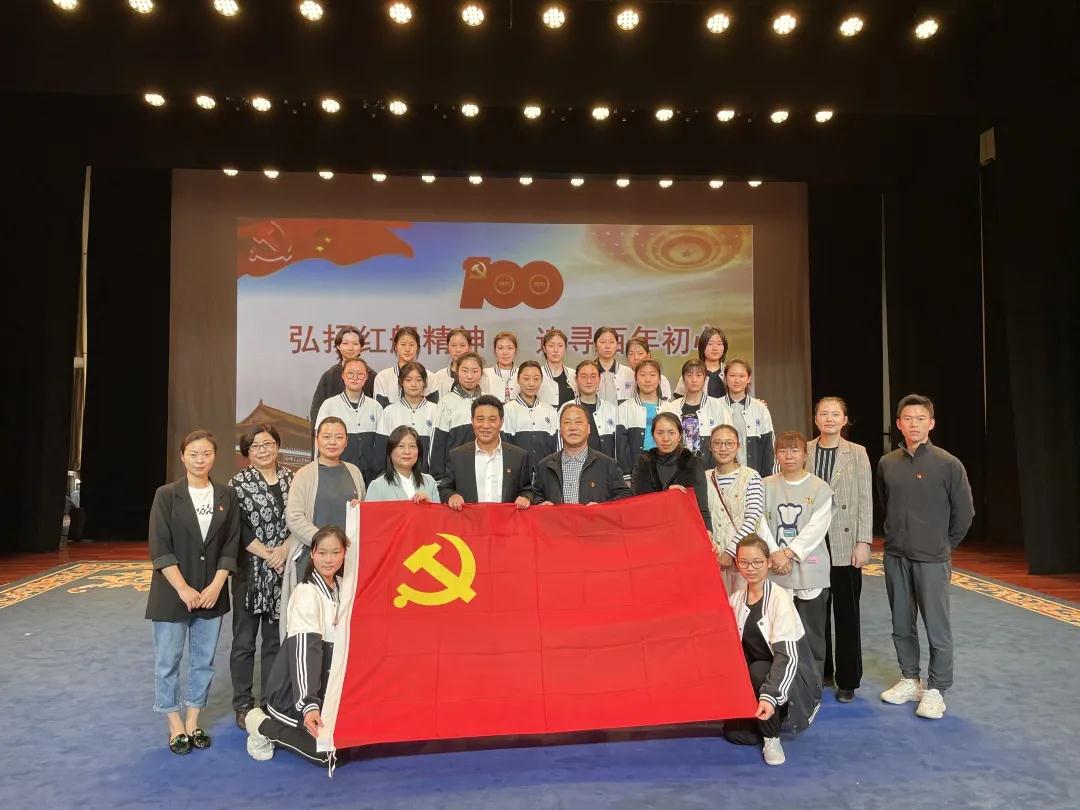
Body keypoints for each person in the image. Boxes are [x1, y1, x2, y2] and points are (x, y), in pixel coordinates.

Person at [876, 393, 973, 720]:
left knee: (936, 626)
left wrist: (943, 545)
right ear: (899, 424)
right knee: (901, 621)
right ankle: (910, 679)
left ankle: (936, 689)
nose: (914, 424)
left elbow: (964, 513)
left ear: (931, 423)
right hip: (896, 555)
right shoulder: (888, 463)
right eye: (908, 419)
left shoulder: (948, 464)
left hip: (932, 558)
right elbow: (885, 503)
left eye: (920, 419)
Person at [146, 430, 240, 755]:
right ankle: (174, 724)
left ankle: (193, 721)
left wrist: (216, 585)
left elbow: (231, 544)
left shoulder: (227, 495)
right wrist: (183, 588)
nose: (200, 460)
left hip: (212, 594)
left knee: (203, 662)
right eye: (193, 454)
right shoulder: (166, 495)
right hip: (172, 593)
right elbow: (160, 546)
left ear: (215, 457)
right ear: (182, 457)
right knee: (168, 661)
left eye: (206, 454)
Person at [244, 525, 348, 765]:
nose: (329, 559)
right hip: (293, 694)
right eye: (322, 553)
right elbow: (304, 654)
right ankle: (262, 725)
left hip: (330, 690)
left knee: (353, 740)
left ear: (345, 553)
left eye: (335, 552)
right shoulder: (306, 594)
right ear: (312, 554)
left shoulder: (345, 587)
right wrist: (308, 705)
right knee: (328, 755)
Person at [725, 535, 821, 766]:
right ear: (737, 564)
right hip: (756, 676)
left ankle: (771, 737)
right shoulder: (735, 599)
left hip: (787, 678)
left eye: (757, 562)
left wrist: (770, 696)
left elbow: (788, 657)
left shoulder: (780, 599)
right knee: (734, 733)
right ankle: (763, 719)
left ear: (768, 562)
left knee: (759, 670)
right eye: (744, 562)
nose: (751, 568)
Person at [806, 396, 874, 703]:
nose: (829, 418)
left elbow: (865, 499)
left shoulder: (857, 453)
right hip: (812, 543)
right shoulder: (805, 450)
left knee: (847, 613)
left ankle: (848, 679)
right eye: (824, 413)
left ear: (845, 420)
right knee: (815, 613)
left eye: (835, 414)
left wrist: (864, 541)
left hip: (846, 543)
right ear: (816, 419)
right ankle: (822, 671)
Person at [227, 424, 293, 730]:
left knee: (274, 640)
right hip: (250, 572)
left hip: (285, 569)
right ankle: (243, 704)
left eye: (268, 444)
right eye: (255, 446)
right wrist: (269, 554)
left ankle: (270, 701)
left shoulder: (293, 478)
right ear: (247, 453)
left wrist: (284, 550)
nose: (263, 450)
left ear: (277, 446)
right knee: (244, 641)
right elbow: (237, 528)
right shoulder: (237, 484)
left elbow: (300, 518)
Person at [759, 431, 834, 688]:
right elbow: (759, 522)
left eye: (795, 450)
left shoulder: (820, 488)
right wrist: (775, 552)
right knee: (777, 630)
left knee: (812, 633)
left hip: (810, 568)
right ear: (776, 455)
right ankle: (780, 685)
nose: (789, 456)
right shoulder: (765, 485)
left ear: (805, 454)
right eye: (783, 450)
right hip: (775, 567)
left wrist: (789, 553)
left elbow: (817, 528)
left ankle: (810, 687)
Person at [283, 416, 365, 639]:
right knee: (312, 625)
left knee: (343, 623)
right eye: (327, 436)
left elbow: (362, 512)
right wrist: (325, 544)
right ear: (317, 439)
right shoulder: (305, 474)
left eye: (339, 437)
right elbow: (294, 517)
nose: (332, 442)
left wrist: (360, 508)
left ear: (346, 441)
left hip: (346, 559)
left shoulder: (354, 472)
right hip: (314, 558)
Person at [437, 395, 535, 509]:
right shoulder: (457, 456)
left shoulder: (518, 456)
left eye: (492, 420)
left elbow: (528, 490)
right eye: (480, 419)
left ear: (501, 422)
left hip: (506, 520)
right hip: (469, 519)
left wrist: (526, 497)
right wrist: (451, 495)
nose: (486, 426)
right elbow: (444, 488)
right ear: (472, 421)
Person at [705, 424, 766, 596]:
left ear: (738, 446)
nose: (723, 448)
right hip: (712, 559)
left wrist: (731, 552)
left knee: (744, 604)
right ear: (710, 446)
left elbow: (753, 518)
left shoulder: (751, 476)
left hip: (744, 561)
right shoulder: (704, 477)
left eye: (729, 443)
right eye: (717, 443)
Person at [534, 403, 632, 504]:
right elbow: (535, 496)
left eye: (578, 422)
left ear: (588, 428)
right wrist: (540, 504)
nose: (573, 427)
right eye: (567, 422)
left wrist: (602, 507)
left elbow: (624, 496)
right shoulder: (544, 466)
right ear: (560, 430)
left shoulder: (608, 465)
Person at [630, 412, 711, 529]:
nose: (665, 439)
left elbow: (701, 507)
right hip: (650, 528)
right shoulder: (642, 463)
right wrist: (667, 495)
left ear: (680, 435)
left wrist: (708, 530)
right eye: (660, 433)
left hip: (683, 528)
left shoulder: (693, 463)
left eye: (671, 433)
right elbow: (637, 503)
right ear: (652, 435)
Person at [313, 357, 383, 484]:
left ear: (366, 377)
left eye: (360, 374)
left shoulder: (375, 407)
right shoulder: (329, 405)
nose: (355, 378)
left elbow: (380, 446)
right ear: (343, 376)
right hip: (338, 474)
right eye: (350, 373)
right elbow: (318, 442)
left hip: (370, 476)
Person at [374, 360, 439, 472]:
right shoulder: (389, 412)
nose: (414, 384)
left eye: (418, 380)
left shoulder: (436, 410)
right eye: (408, 380)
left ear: (424, 383)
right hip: (396, 477)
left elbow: (440, 449)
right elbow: (381, 451)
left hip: (428, 477)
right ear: (401, 383)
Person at [429, 351, 485, 480]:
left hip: (486, 471)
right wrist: (438, 479)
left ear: (481, 373)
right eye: (464, 371)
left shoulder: (489, 400)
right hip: (455, 474)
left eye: (475, 371)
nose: (469, 376)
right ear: (457, 372)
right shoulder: (446, 402)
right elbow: (438, 444)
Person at [661, 359, 733, 456]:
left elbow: (728, 437)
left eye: (698, 375)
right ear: (683, 378)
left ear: (705, 378)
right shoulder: (671, 407)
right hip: (678, 462)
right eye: (689, 375)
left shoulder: (718, 406)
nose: (694, 380)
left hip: (709, 462)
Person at [500, 360, 559, 480]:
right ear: (518, 380)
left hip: (545, 476)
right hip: (517, 476)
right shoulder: (507, 410)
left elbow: (556, 448)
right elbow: (505, 447)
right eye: (526, 379)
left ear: (541, 381)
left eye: (536, 379)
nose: (531, 384)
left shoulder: (550, 410)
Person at [308, 325, 371, 432]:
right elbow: (316, 411)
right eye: (345, 343)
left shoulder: (371, 376)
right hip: (334, 436)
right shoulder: (329, 376)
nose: (350, 348)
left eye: (355, 344)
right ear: (338, 346)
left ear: (361, 346)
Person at [615, 359, 669, 476]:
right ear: (636, 378)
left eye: (652, 375)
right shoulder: (625, 408)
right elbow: (621, 445)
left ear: (659, 379)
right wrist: (627, 475)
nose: (647, 380)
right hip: (637, 471)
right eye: (642, 374)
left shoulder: (670, 408)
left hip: (666, 468)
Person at [722, 359, 774, 478]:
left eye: (742, 376)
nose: (737, 380)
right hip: (722, 476)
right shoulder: (715, 406)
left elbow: (768, 448)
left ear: (749, 378)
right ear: (725, 378)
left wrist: (766, 479)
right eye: (732, 375)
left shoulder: (760, 408)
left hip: (752, 476)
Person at [558, 359, 618, 459]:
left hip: (605, 467)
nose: (589, 381)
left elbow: (617, 447)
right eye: (584, 376)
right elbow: (559, 443)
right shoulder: (566, 408)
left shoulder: (611, 409)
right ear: (576, 380)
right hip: (573, 465)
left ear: (600, 379)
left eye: (593, 376)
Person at [366, 425, 441, 502]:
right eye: (401, 446)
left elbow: (439, 510)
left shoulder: (429, 482)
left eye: (412, 446)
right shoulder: (377, 486)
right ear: (390, 451)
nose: (407, 451)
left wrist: (430, 505)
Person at [374, 326, 438, 407]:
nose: (407, 349)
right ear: (395, 347)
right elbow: (380, 408)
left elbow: (432, 408)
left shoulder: (430, 377)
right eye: (403, 344)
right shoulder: (383, 377)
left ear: (417, 347)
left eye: (412, 345)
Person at [676, 326, 729, 399]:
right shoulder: (690, 371)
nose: (715, 348)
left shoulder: (729, 372)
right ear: (702, 346)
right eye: (710, 344)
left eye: (719, 344)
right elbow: (678, 400)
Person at [594, 326, 635, 404]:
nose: (607, 346)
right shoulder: (587, 373)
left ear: (617, 345)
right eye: (602, 342)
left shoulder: (629, 373)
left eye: (611, 342)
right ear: (595, 345)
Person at [538, 327, 577, 407]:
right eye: (551, 345)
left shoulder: (573, 374)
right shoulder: (538, 374)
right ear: (544, 349)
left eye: (560, 346)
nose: (556, 350)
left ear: (565, 348)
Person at [625, 335, 673, 399]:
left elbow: (665, 403)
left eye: (640, 353)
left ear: (648, 355)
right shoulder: (622, 377)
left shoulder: (661, 380)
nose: (636, 358)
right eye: (631, 354)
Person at [431, 327, 473, 399]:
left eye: (462, 345)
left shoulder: (478, 375)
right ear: (448, 347)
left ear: (469, 347)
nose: (458, 350)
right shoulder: (438, 376)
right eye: (453, 345)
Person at [481, 330, 520, 403]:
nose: (505, 352)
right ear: (495, 350)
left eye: (510, 348)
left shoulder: (522, 374)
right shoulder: (485, 374)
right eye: (500, 348)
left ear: (515, 350)